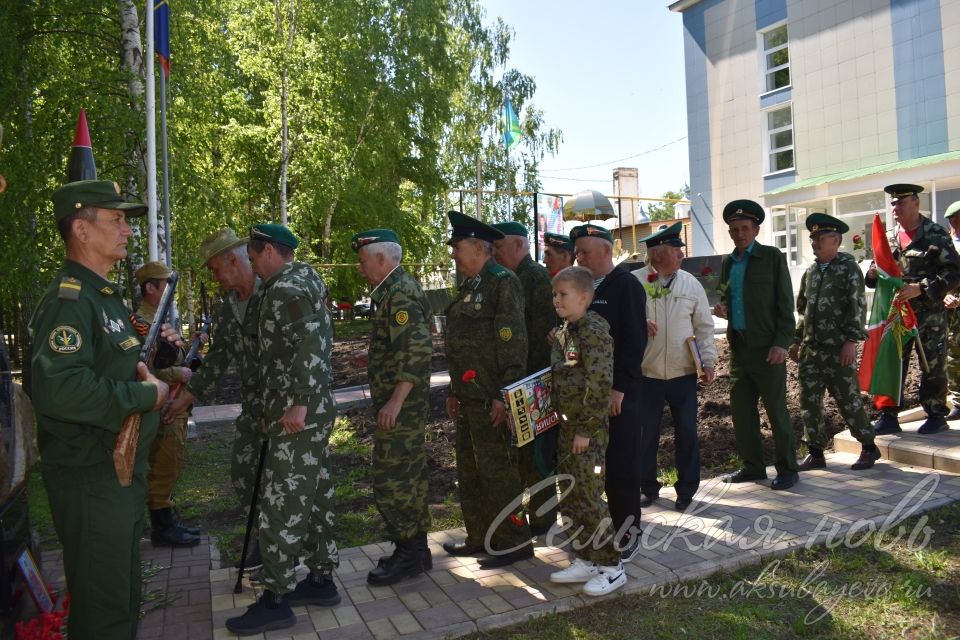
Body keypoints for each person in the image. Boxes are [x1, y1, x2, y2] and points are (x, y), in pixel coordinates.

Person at [30, 179, 175, 640]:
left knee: (121, 597)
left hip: (117, 475)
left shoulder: (103, 298)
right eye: (115, 220)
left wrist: (156, 365)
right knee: (103, 611)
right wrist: (145, 397)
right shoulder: (68, 302)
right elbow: (63, 389)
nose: (127, 231)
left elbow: (117, 366)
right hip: (91, 478)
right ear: (82, 230)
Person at [225, 224, 340, 636]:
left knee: (281, 502)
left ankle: (275, 598)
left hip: (297, 412)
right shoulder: (299, 279)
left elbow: (312, 343)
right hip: (302, 409)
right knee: (315, 494)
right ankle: (322, 580)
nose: (252, 265)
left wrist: (299, 402)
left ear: (271, 251)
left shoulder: (286, 289)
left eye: (254, 257)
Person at [164, 227, 266, 570]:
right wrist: (184, 399)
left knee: (289, 484)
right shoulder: (227, 309)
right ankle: (266, 543)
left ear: (232, 260)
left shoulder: (274, 292)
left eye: (214, 269)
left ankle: (298, 554)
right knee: (245, 474)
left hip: (287, 408)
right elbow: (218, 360)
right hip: (255, 410)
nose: (214, 276)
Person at [442, 211, 534, 569]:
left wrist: (504, 395)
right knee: (470, 471)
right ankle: (480, 536)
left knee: (499, 472)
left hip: (491, 398)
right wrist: (452, 389)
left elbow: (513, 344)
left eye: (458, 247)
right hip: (468, 398)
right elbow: (462, 345)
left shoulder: (502, 282)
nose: (453, 254)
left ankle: (514, 541)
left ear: (479, 248)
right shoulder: (470, 286)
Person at [351, 228, 432, 586]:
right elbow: (397, 347)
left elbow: (416, 354)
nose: (359, 267)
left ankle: (409, 553)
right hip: (401, 407)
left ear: (382, 259)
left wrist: (395, 402)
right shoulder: (394, 291)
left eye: (363, 260)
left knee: (394, 480)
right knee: (407, 477)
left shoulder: (399, 295)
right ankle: (415, 549)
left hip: (401, 409)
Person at [570, 222, 647, 561]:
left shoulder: (625, 285)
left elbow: (634, 342)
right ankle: (597, 531)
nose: (579, 257)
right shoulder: (581, 288)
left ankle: (628, 531)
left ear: (605, 251)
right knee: (593, 468)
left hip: (619, 396)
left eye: (585, 252)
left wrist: (619, 389)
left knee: (621, 465)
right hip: (588, 395)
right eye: (577, 252)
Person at [547, 266, 625, 596]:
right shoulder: (568, 329)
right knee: (569, 493)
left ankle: (611, 566)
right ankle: (585, 556)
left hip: (585, 431)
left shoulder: (593, 330)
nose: (556, 300)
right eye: (554, 295)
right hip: (566, 426)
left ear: (584, 297)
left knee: (590, 497)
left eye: (562, 295)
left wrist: (586, 430)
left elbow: (600, 384)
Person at [713, 199, 798, 490]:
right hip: (740, 350)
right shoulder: (728, 262)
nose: (739, 234)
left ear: (756, 229)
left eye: (744, 228)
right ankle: (753, 467)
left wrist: (782, 343)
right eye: (734, 229)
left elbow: (787, 307)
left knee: (776, 411)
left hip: (768, 350)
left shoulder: (772, 257)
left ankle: (788, 468)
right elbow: (723, 292)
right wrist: (720, 306)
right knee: (742, 413)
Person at [632, 222, 716, 511]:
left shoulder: (690, 284)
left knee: (687, 432)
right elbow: (618, 324)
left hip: (683, 373)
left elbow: (704, 327)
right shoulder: (635, 282)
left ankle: (687, 490)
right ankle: (648, 487)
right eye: (676, 251)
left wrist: (708, 362)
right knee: (645, 434)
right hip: (647, 375)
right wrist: (638, 325)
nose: (682, 256)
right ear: (657, 255)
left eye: (681, 251)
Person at [788, 213, 881, 471]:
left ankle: (869, 447)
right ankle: (816, 452)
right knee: (809, 402)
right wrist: (796, 341)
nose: (815, 242)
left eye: (820, 237)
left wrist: (851, 340)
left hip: (838, 349)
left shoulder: (848, 268)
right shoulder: (811, 272)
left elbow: (857, 307)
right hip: (811, 349)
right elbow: (803, 311)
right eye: (813, 237)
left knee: (847, 399)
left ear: (836, 240)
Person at [866, 185, 960, 435]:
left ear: (916, 203)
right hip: (897, 314)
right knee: (894, 362)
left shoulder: (935, 234)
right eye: (893, 203)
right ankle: (888, 414)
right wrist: (872, 274)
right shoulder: (888, 237)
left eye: (900, 203)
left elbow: (953, 273)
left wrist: (922, 287)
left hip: (929, 314)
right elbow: (876, 276)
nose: (895, 208)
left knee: (932, 363)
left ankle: (935, 414)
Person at [492, 221, 558, 535]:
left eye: (499, 247)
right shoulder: (510, 278)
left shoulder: (536, 278)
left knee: (538, 457)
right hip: (519, 381)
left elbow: (544, 335)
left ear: (519, 246)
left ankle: (544, 520)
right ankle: (529, 518)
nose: (494, 254)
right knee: (522, 456)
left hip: (534, 382)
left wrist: (535, 384)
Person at [133, 261, 200, 547]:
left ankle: (167, 521)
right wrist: (179, 373)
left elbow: (171, 355)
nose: (169, 294)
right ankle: (162, 528)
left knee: (171, 464)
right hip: (163, 406)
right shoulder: (141, 325)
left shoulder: (159, 322)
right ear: (150, 287)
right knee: (162, 466)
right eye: (164, 286)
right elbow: (142, 368)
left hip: (174, 405)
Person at [941, 201, 960, 421]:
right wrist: (943, 293)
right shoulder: (945, 246)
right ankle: (958, 401)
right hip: (949, 313)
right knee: (953, 357)